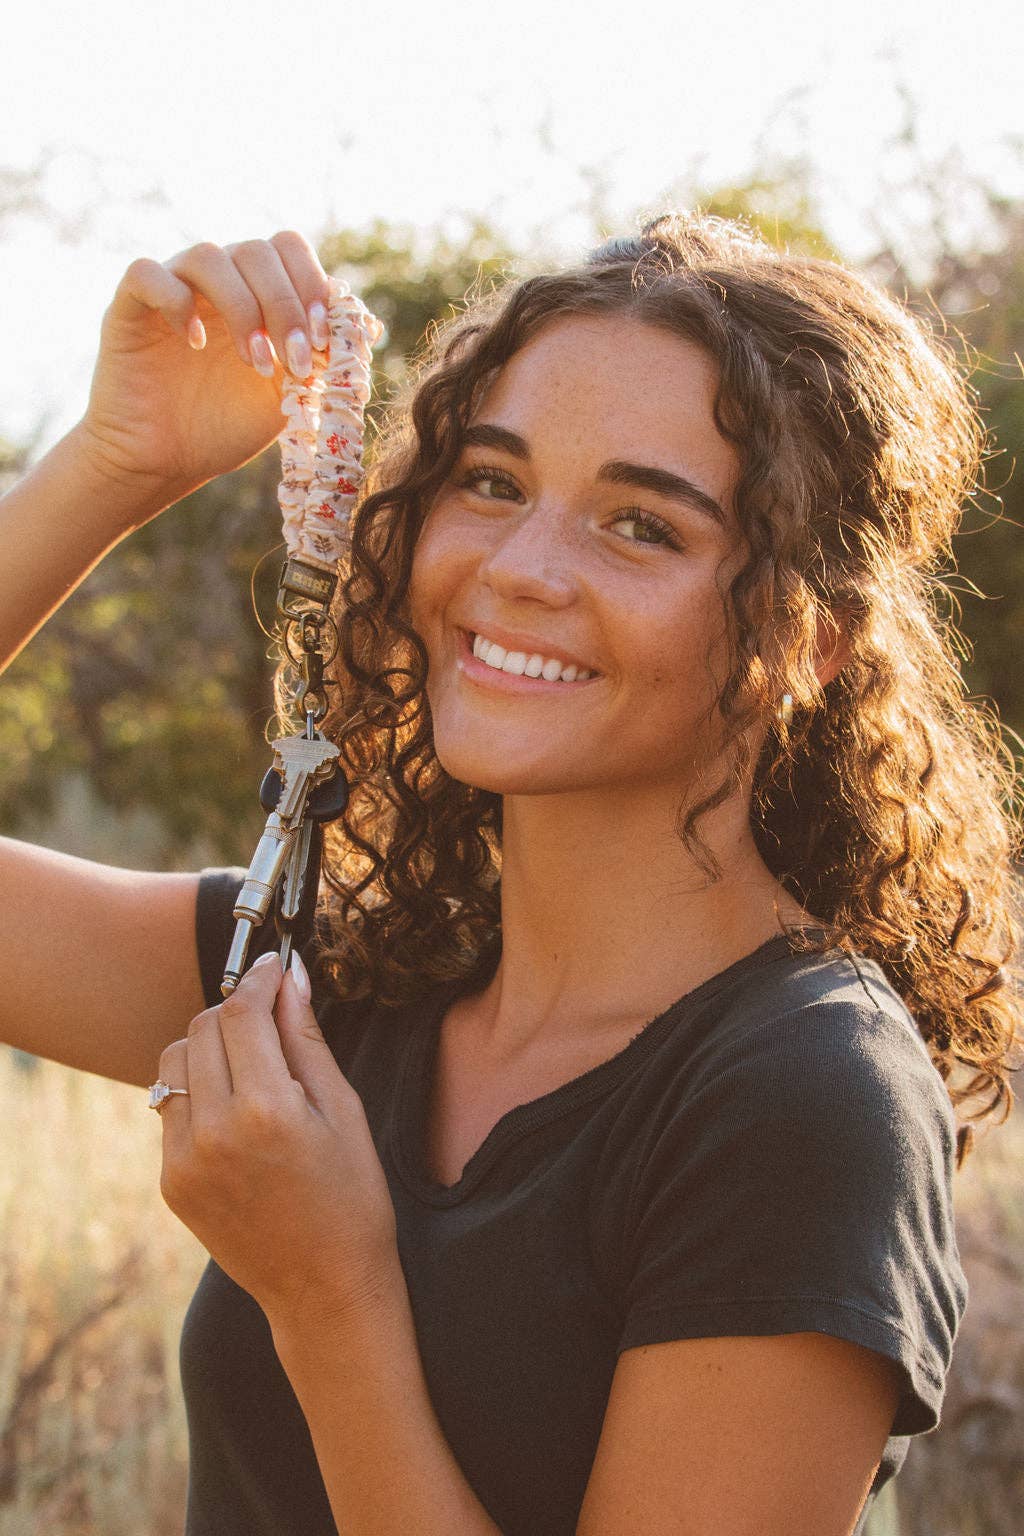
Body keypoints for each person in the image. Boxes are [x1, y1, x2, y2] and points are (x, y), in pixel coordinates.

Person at [0, 212, 1020, 1536]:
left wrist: (328, 1298)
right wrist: (112, 463)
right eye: (490, 483)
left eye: (642, 526)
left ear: (812, 642)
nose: (521, 569)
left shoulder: (803, 1098)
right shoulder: (347, 975)